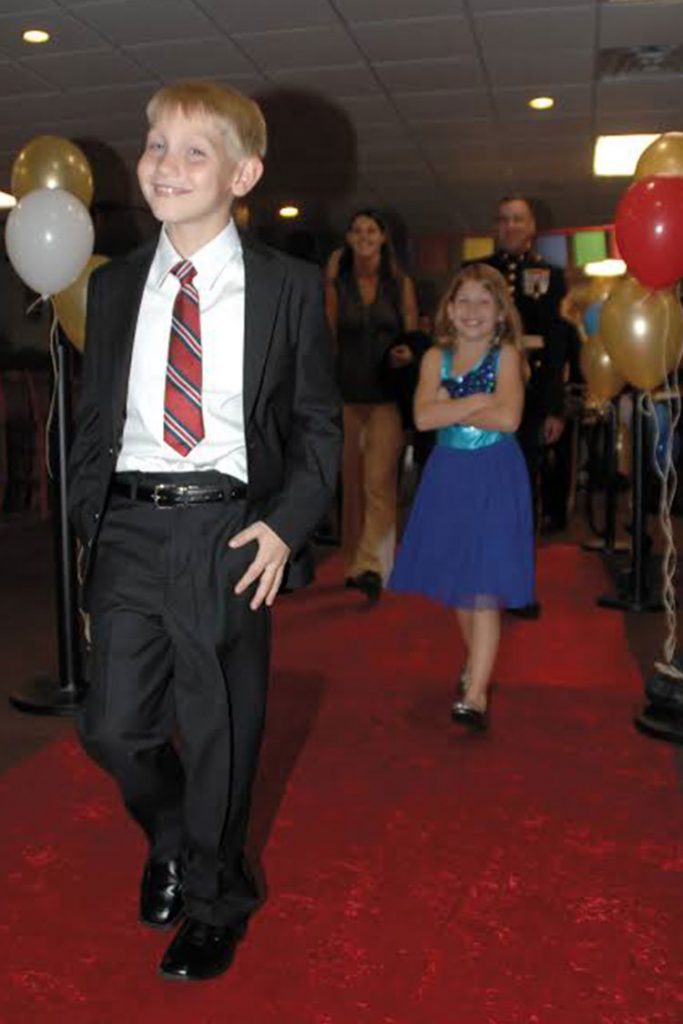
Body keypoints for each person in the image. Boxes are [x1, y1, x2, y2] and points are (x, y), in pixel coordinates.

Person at [67, 80, 341, 982]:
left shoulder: (289, 288)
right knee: (112, 728)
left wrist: (285, 529)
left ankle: (218, 898)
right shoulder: (109, 290)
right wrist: (86, 525)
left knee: (221, 730)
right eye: (155, 145)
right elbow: (94, 419)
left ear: (243, 172)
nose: (166, 165)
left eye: (194, 151)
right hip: (130, 528)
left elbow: (315, 426)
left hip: (230, 530)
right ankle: (179, 839)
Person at [389, 264, 534, 732]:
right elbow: (423, 417)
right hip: (448, 475)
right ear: (449, 310)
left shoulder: (507, 356)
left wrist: (455, 404)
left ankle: (476, 695)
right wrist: (478, 403)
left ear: (499, 313)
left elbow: (509, 418)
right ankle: (475, 664)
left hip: (494, 473)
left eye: (484, 302)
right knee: (459, 580)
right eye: (464, 301)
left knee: (485, 586)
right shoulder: (435, 358)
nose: (473, 311)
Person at [476, 195, 570, 615]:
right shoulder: (477, 273)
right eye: (504, 219)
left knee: (519, 490)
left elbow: (556, 348)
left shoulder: (550, 275)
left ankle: (517, 586)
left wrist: (554, 408)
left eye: (518, 219)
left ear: (532, 227)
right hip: (481, 396)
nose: (510, 225)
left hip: (528, 401)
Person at [325, 209, 418, 603]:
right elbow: (325, 337)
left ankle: (374, 566)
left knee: (378, 481)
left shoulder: (399, 285)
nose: (364, 236)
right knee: (350, 483)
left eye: (371, 230)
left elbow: (413, 337)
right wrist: (328, 279)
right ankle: (354, 562)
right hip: (346, 394)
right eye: (357, 230)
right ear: (348, 239)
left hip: (385, 397)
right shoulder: (338, 285)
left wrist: (406, 354)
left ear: (383, 238)